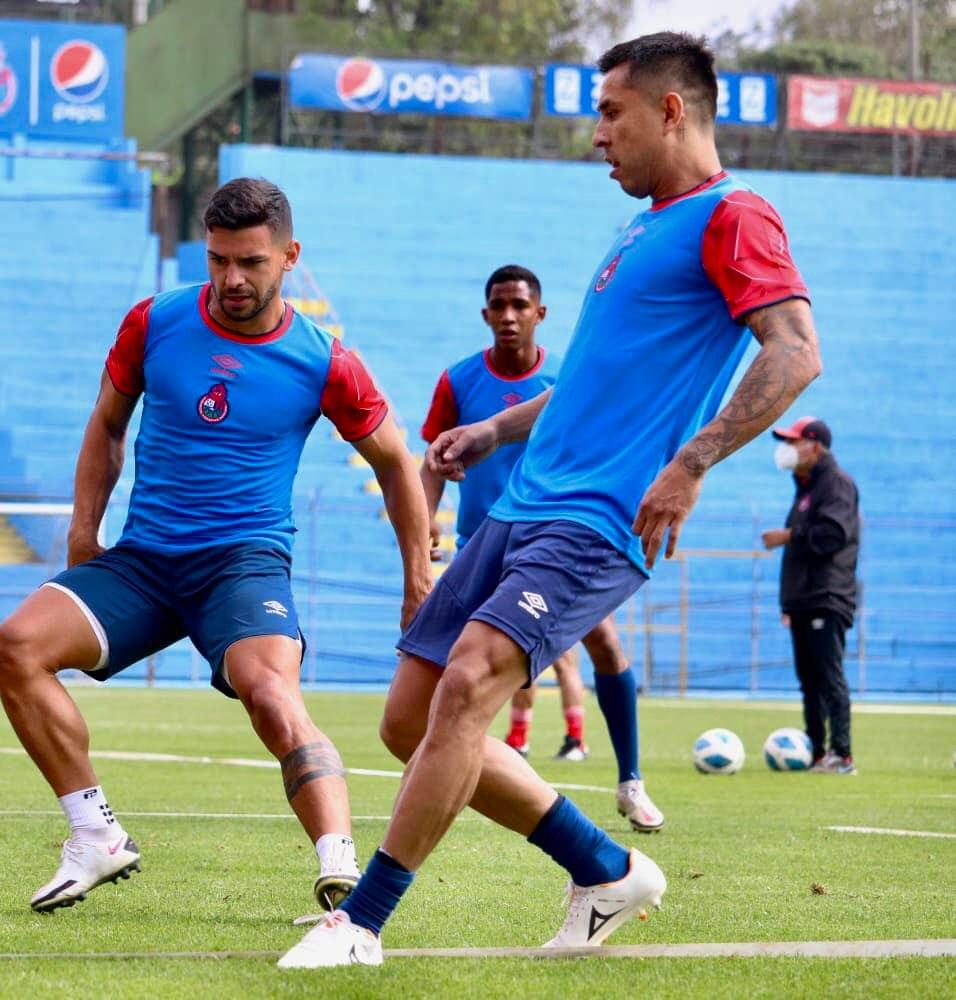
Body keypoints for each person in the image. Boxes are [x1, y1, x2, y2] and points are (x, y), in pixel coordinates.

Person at [282, 32, 819, 967]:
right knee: (407, 724)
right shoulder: (641, 227)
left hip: (596, 520)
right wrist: (494, 431)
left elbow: (794, 351)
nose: (597, 135)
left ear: (670, 110)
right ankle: (605, 870)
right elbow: (592, 383)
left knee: (470, 685)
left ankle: (360, 922)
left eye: (610, 113)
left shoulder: (737, 215)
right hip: (523, 505)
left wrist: (691, 463)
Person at [0, 178, 431, 914]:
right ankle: (93, 835)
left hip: (243, 563)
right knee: (14, 647)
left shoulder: (324, 360)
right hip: (145, 560)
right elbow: (105, 425)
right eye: (219, 259)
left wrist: (417, 574)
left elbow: (393, 460)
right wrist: (81, 533)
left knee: (271, 696)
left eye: (251, 262)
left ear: (289, 257)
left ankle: (341, 871)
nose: (231, 279)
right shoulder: (153, 322)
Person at [417, 266, 664, 831]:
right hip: (483, 541)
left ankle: (630, 781)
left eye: (519, 306)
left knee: (603, 641)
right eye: (498, 306)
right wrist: (424, 523)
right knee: (453, 667)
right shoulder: (457, 380)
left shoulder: (564, 377)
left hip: (556, 538)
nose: (509, 316)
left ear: (539, 313)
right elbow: (432, 457)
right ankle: (454, 771)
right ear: (486, 314)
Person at [762, 416, 859, 774]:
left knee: (828, 675)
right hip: (804, 599)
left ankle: (842, 754)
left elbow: (833, 535)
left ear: (815, 446)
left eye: (794, 441)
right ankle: (815, 750)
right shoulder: (805, 488)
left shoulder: (836, 484)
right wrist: (789, 602)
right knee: (809, 680)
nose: (787, 449)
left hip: (828, 596)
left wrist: (789, 536)